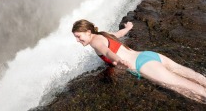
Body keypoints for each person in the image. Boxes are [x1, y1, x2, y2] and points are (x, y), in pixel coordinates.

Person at [72, 19, 206, 103]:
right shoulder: (103, 34)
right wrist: (128, 27)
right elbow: (119, 34)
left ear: (88, 32)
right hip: (148, 55)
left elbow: (107, 51)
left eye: (78, 36)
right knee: (191, 74)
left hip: (143, 65)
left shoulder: (95, 42)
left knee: (185, 88)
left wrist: (119, 60)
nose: (77, 40)